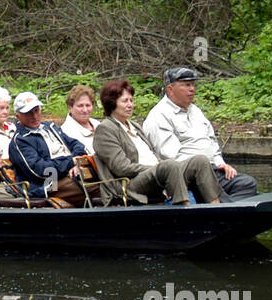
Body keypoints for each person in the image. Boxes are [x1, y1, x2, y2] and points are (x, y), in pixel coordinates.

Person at [93, 78, 221, 206]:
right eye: (125, 101)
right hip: (130, 183)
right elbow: (122, 168)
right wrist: (156, 168)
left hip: (156, 173)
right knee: (169, 166)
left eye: (131, 100)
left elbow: (153, 155)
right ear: (111, 103)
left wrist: (159, 167)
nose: (130, 105)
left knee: (200, 161)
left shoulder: (134, 126)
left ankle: (216, 209)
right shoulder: (106, 129)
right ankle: (184, 214)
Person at [143, 67, 258, 200]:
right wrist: (201, 166)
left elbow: (211, 141)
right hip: (186, 175)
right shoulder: (159, 115)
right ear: (170, 89)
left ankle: (224, 206)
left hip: (212, 169)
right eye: (186, 85)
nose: (192, 89)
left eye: (193, 84)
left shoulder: (195, 111)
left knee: (247, 184)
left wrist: (220, 163)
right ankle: (220, 204)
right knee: (213, 186)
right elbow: (170, 157)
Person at [8, 92, 87, 205]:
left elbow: (77, 145)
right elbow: (41, 171)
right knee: (101, 187)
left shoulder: (50, 127)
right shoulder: (20, 141)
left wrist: (76, 164)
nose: (34, 116)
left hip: (73, 174)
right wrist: (71, 162)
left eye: (36, 110)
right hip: (49, 185)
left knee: (107, 180)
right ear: (17, 116)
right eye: (28, 113)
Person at [61, 84, 100, 154]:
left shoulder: (98, 124)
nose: (85, 110)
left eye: (88, 105)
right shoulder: (65, 132)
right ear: (70, 107)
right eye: (80, 106)